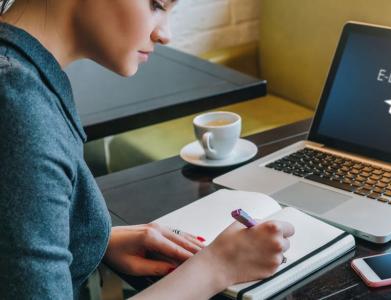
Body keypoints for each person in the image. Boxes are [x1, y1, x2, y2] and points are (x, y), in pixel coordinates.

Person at [0, 0, 294, 299]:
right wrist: (218, 267)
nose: (165, 34)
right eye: (156, 4)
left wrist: (90, 240)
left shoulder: (21, 78)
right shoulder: (18, 107)